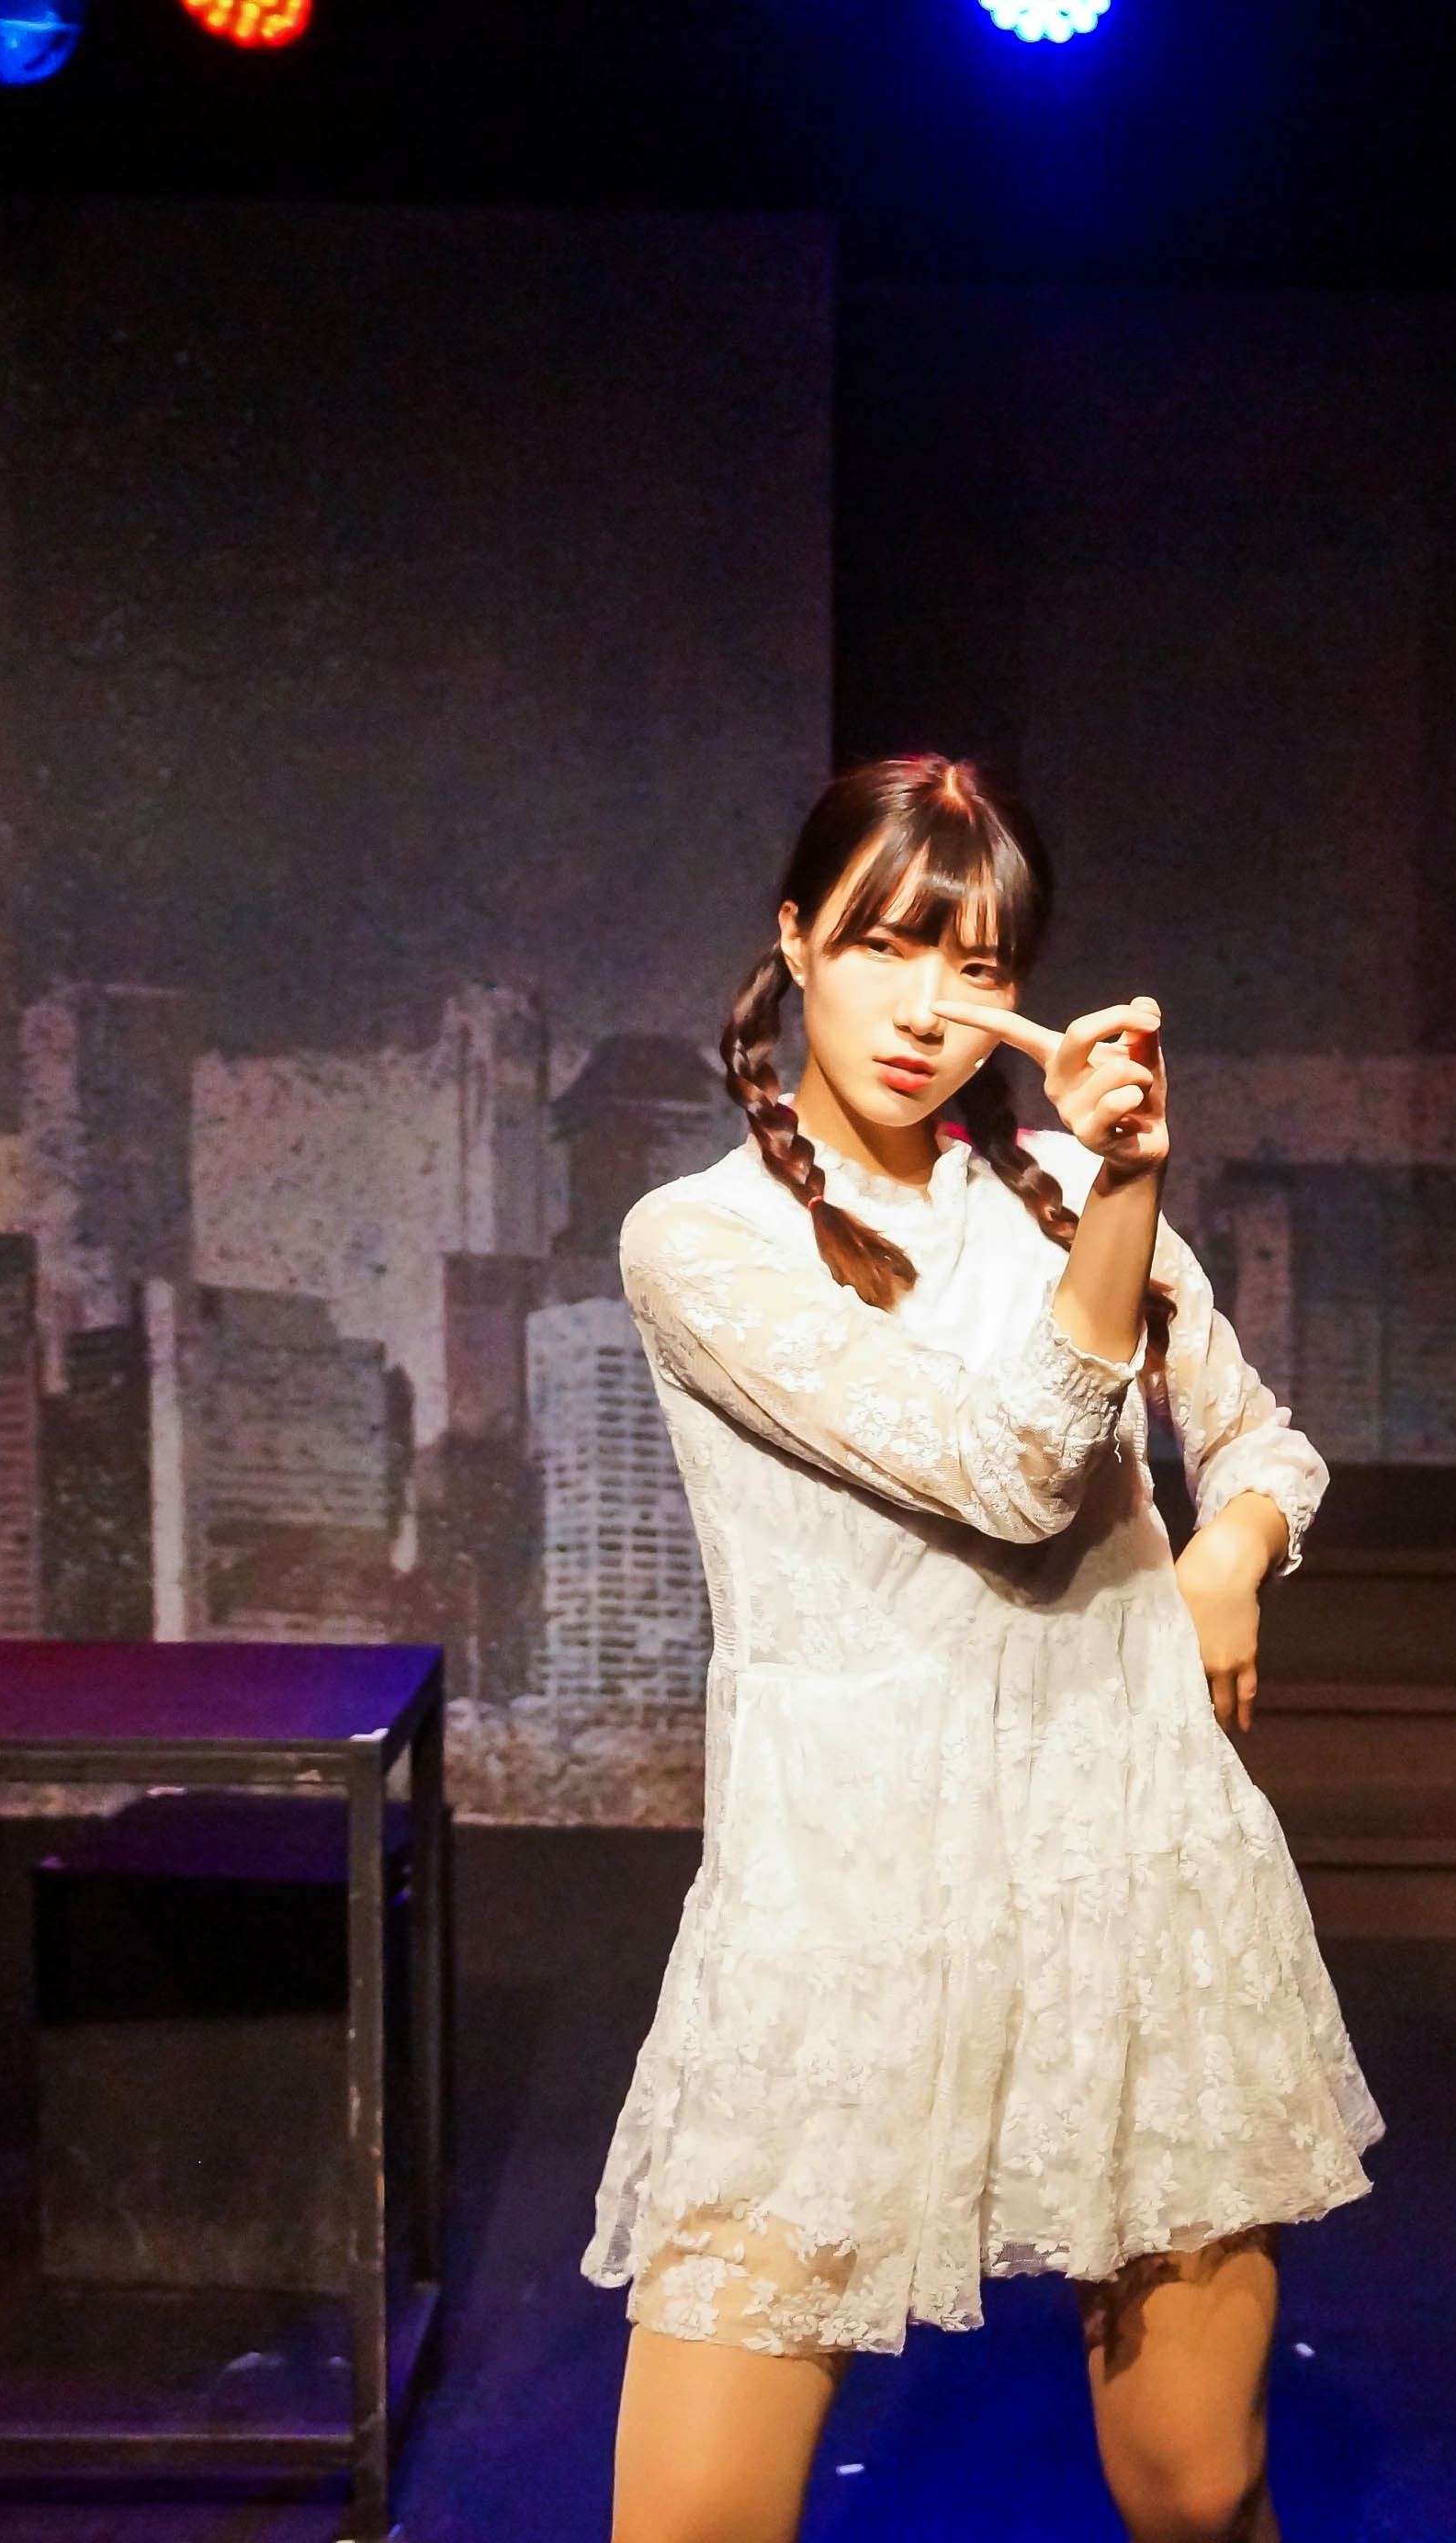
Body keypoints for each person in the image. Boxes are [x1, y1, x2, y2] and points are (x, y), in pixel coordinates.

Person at [583, 756, 1380, 2543]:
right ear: (797, 939)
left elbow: (1255, 1439)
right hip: (843, 1912)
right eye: (882, 944)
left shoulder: (1058, 1193)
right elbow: (1012, 1470)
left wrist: (1231, 1553)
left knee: (1196, 2488)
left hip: (1124, 1869)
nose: (925, 1007)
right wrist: (1125, 1186)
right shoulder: (702, 1244)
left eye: (975, 963)